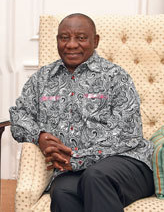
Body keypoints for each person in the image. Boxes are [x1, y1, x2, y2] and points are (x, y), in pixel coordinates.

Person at [9, 13, 154, 212]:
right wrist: (40, 136)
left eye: (81, 38)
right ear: (57, 40)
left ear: (95, 41)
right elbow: (19, 115)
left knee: (95, 177)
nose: (71, 44)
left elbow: (126, 135)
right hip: (73, 170)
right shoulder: (42, 79)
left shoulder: (115, 76)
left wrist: (76, 158)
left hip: (127, 162)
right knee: (62, 193)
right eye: (64, 37)